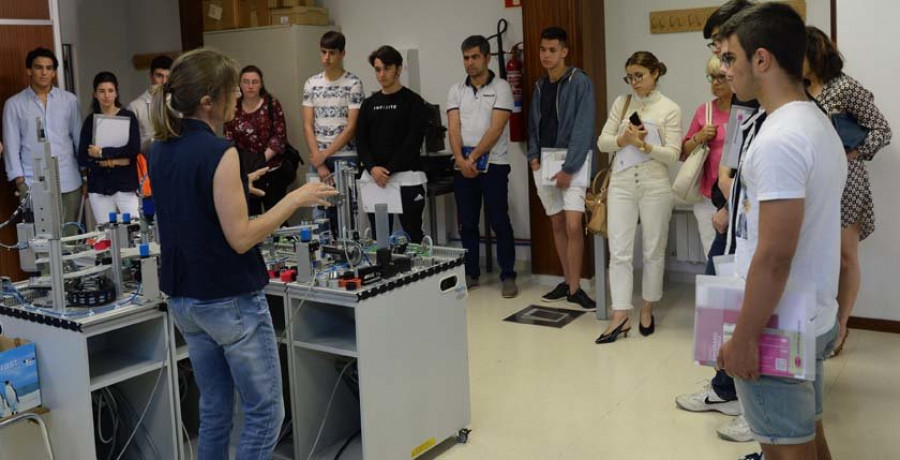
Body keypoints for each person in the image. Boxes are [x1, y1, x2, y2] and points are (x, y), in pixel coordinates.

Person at [148, 48, 336, 459]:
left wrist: (234, 186)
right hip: (228, 299)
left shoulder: (159, 148)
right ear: (208, 101)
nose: (239, 95)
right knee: (266, 411)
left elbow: (190, 203)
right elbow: (241, 237)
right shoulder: (220, 152)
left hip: (185, 299)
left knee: (215, 408)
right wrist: (295, 199)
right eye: (232, 89)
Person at [716, 4, 847, 459]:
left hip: (778, 322)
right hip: (808, 310)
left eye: (730, 58)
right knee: (808, 436)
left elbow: (774, 255)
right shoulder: (815, 123)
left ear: (762, 60)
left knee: (785, 449)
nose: (724, 69)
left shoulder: (780, 139)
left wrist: (745, 338)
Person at [674, 0, 762, 447]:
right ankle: (726, 389)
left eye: (722, 51)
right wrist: (727, 193)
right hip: (733, 213)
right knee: (718, 303)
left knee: (750, 314)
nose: (720, 64)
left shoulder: (775, 99)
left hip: (756, 226)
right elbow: (734, 160)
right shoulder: (746, 100)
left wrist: (736, 194)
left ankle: (754, 407)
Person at [804, 26, 892, 357]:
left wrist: (854, 151)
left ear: (814, 54)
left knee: (844, 257)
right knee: (814, 256)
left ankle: (841, 326)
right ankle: (817, 321)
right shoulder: (795, 89)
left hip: (846, 181)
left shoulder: (846, 87)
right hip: (810, 182)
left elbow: (882, 130)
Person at [595, 51, 681, 343]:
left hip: (654, 182)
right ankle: (620, 314)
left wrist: (645, 146)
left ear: (655, 73)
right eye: (629, 76)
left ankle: (647, 307)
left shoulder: (669, 108)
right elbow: (603, 142)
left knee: (653, 249)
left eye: (639, 76)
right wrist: (623, 140)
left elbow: (673, 155)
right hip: (621, 182)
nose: (634, 82)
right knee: (619, 250)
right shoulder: (622, 102)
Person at [526, 26, 596, 311]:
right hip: (543, 162)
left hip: (573, 163)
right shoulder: (540, 85)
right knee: (556, 222)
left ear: (564, 51)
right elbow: (534, 123)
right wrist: (532, 155)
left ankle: (577, 287)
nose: (546, 55)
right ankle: (568, 281)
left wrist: (570, 167)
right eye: (543, 49)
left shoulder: (580, 82)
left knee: (573, 224)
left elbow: (584, 126)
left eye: (552, 50)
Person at [447, 35, 518, 298]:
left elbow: (496, 128)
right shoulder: (456, 90)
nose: (470, 63)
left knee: (500, 221)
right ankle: (471, 272)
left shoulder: (501, 87)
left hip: (494, 166)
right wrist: (461, 160)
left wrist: (474, 157)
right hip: (463, 167)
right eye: (466, 57)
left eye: (475, 57)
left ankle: (508, 275)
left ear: (487, 58)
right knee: (467, 223)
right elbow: (453, 129)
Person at [3, 47, 83, 231]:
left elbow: (78, 138)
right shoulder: (14, 104)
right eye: (39, 67)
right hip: (32, 183)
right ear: (29, 70)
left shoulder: (69, 100)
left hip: (69, 179)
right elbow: (11, 145)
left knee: (70, 241)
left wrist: (85, 175)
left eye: (48, 68)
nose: (44, 72)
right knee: (42, 242)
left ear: (54, 72)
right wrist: (19, 181)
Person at [357, 45, 428, 243]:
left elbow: (413, 142)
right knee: (381, 237)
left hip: (407, 178)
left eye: (387, 68)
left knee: (412, 235)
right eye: (378, 69)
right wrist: (373, 169)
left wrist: (388, 170)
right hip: (375, 179)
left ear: (398, 69)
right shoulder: (369, 104)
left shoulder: (413, 102)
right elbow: (361, 141)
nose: (382, 74)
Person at [302, 31, 365, 234]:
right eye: (323, 52)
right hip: (318, 158)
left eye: (332, 53)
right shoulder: (311, 84)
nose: (326, 58)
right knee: (319, 216)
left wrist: (324, 156)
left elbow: (350, 127)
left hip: (345, 157)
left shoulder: (353, 84)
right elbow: (307, 124)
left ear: (343, 54)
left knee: (346, 215)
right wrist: (319, 162)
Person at [681, 55, 733, 258]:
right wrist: (699, 137)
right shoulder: (705, 111)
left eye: (721, 77)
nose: (716, 83)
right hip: (708, 198)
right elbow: (684, 150)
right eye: (711, 78)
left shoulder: (745, 110)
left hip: (735, 196)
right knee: (712, 256)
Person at [224, 65, 290, 215]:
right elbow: (228, 137)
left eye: (255, 82)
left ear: (261, 84)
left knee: (276, 215)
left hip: (271, 169)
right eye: (246, 82)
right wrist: (247, 164)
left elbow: (279, 137)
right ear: (240, 84)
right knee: (249, 216)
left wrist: (261, 160)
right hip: (245, 171)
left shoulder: (271, 104)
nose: (250, 86)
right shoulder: (233, 107)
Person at [77, 72, 140, 226]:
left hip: (125, 183)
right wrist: (117, 160)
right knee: (107, 233)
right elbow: (82, 156)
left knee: (134, 228)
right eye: (102, 91)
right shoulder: (90, 121)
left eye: (110, 91)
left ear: (116, 92)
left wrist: (102, 153)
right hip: (99, 185)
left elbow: (133, 150)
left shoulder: (128, 116)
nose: (106, 95)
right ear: (95, 94)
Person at [128, 55, 172, 156]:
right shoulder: (135, 107)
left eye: (168, 77)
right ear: (151, 76)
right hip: (148, 165)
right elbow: (130, 145)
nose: (164, 82)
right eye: (159, 76)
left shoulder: (180, 103)